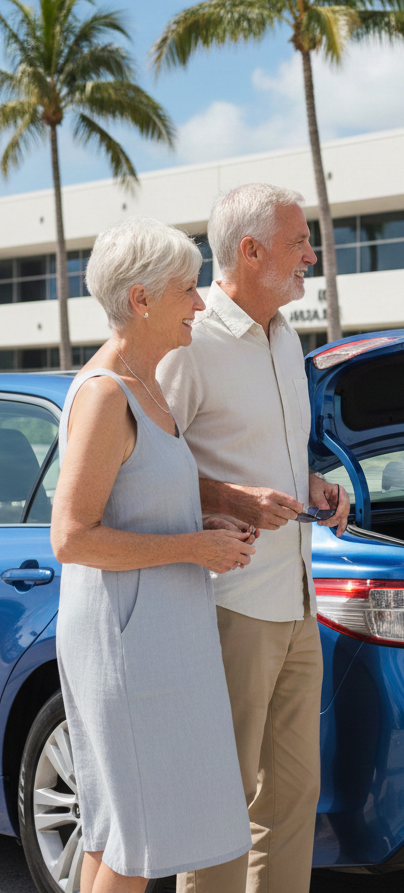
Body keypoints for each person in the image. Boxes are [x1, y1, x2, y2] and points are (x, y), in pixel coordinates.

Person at [51, 219, 255, 893]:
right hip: (126, 643)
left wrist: (206, 521)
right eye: (187, 290)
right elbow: (73, 537)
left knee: (117, 831)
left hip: (157, 636)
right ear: (141, 300)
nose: (200, 303)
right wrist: (194, 545)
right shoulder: (108, 394)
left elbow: (136, 503)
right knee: (134, 841)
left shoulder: (147, 385)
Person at [157, 183, 349, 893]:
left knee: (292, 799)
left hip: (298, 598)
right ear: (251, 250)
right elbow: (146, 464)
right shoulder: (190, 339)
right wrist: (229, 498)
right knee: (221, 802)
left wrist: (314, 483)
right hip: (228, 602)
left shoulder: (285, 334)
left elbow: (273, 449)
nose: (311, 254)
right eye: (299, 241)